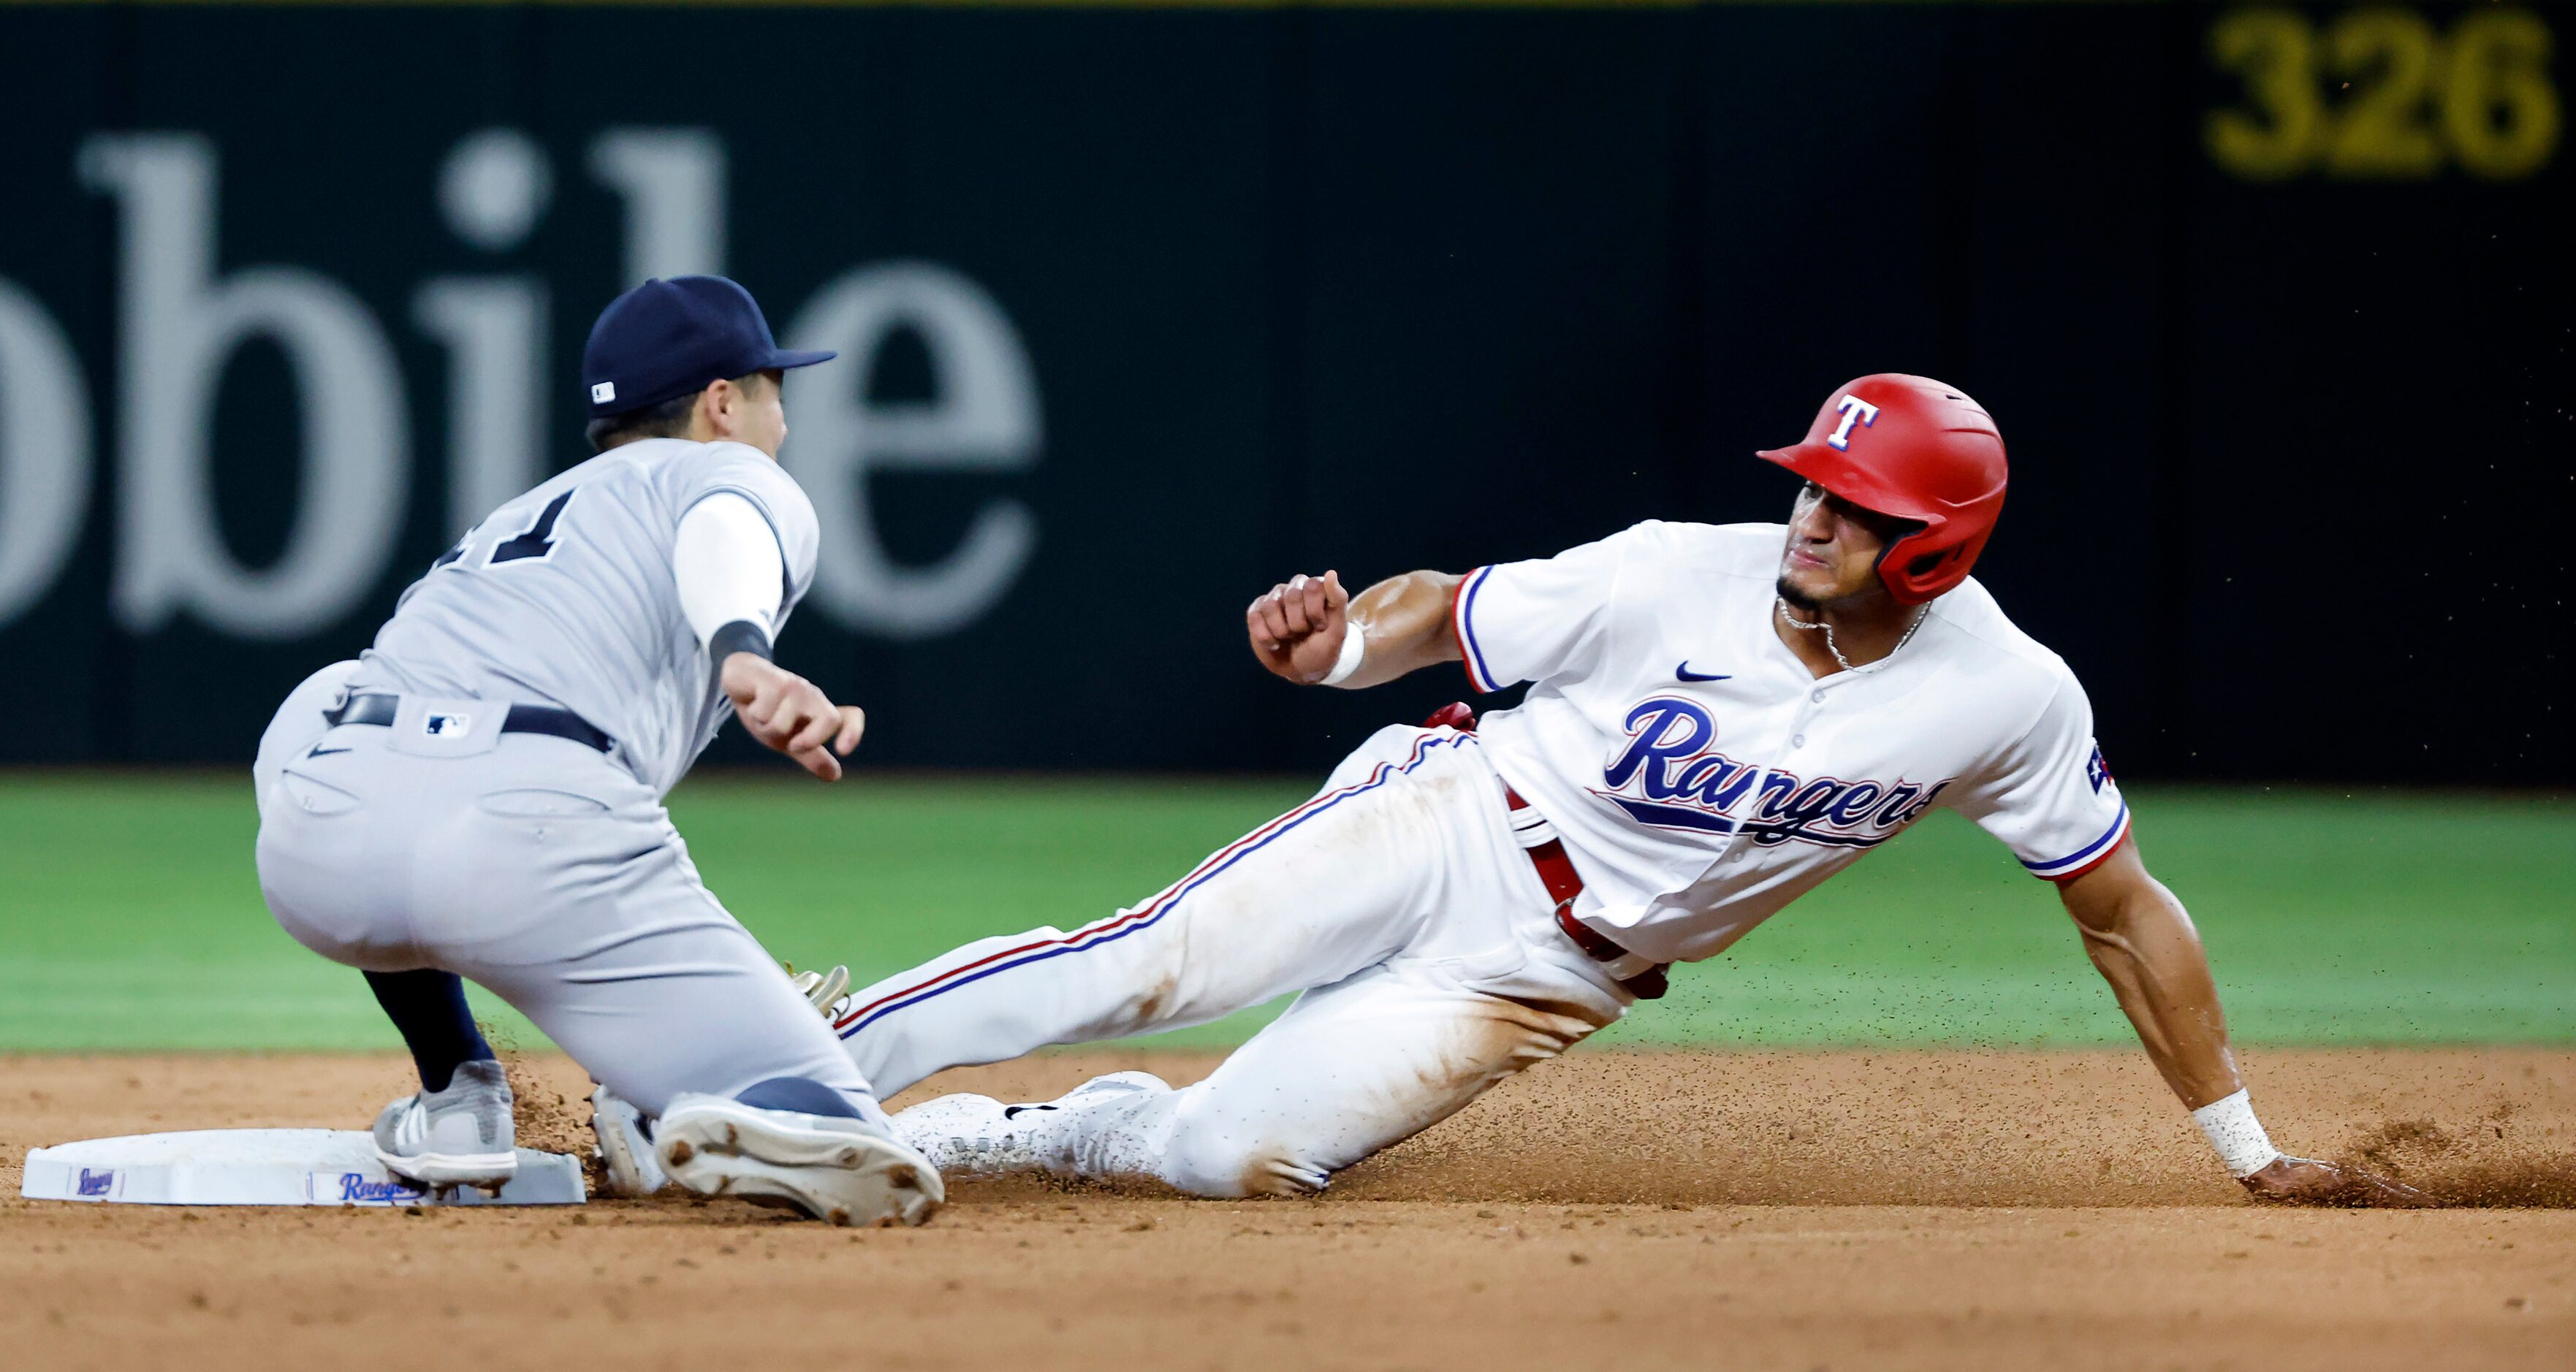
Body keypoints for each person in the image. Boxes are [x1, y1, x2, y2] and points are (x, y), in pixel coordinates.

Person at [820, 373, 2419, 1206]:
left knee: (1231, 1163)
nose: (1807, 519)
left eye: (1849, 507)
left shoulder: (2001, 697)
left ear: (1930, 546)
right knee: (1134, 965)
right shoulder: (1673, 573)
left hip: (1547, 978)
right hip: (1446, 821)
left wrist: (2241, 1144)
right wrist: (1328, 659)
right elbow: (1439, 608)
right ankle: (772, 1066)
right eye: (1808, 485)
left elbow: (2121, 914)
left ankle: (1027, 1142)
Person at [252, 275, 942, 1226]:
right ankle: (668, 1102)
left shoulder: (506, 525)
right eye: (773, 390)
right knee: (850, 1135)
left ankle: (456, 1094)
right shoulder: (729, 470)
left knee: (327, 692)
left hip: (322, 849)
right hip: (534, 848)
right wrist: (741, 651)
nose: (781, 417)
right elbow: (725, 529)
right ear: (721, 402)